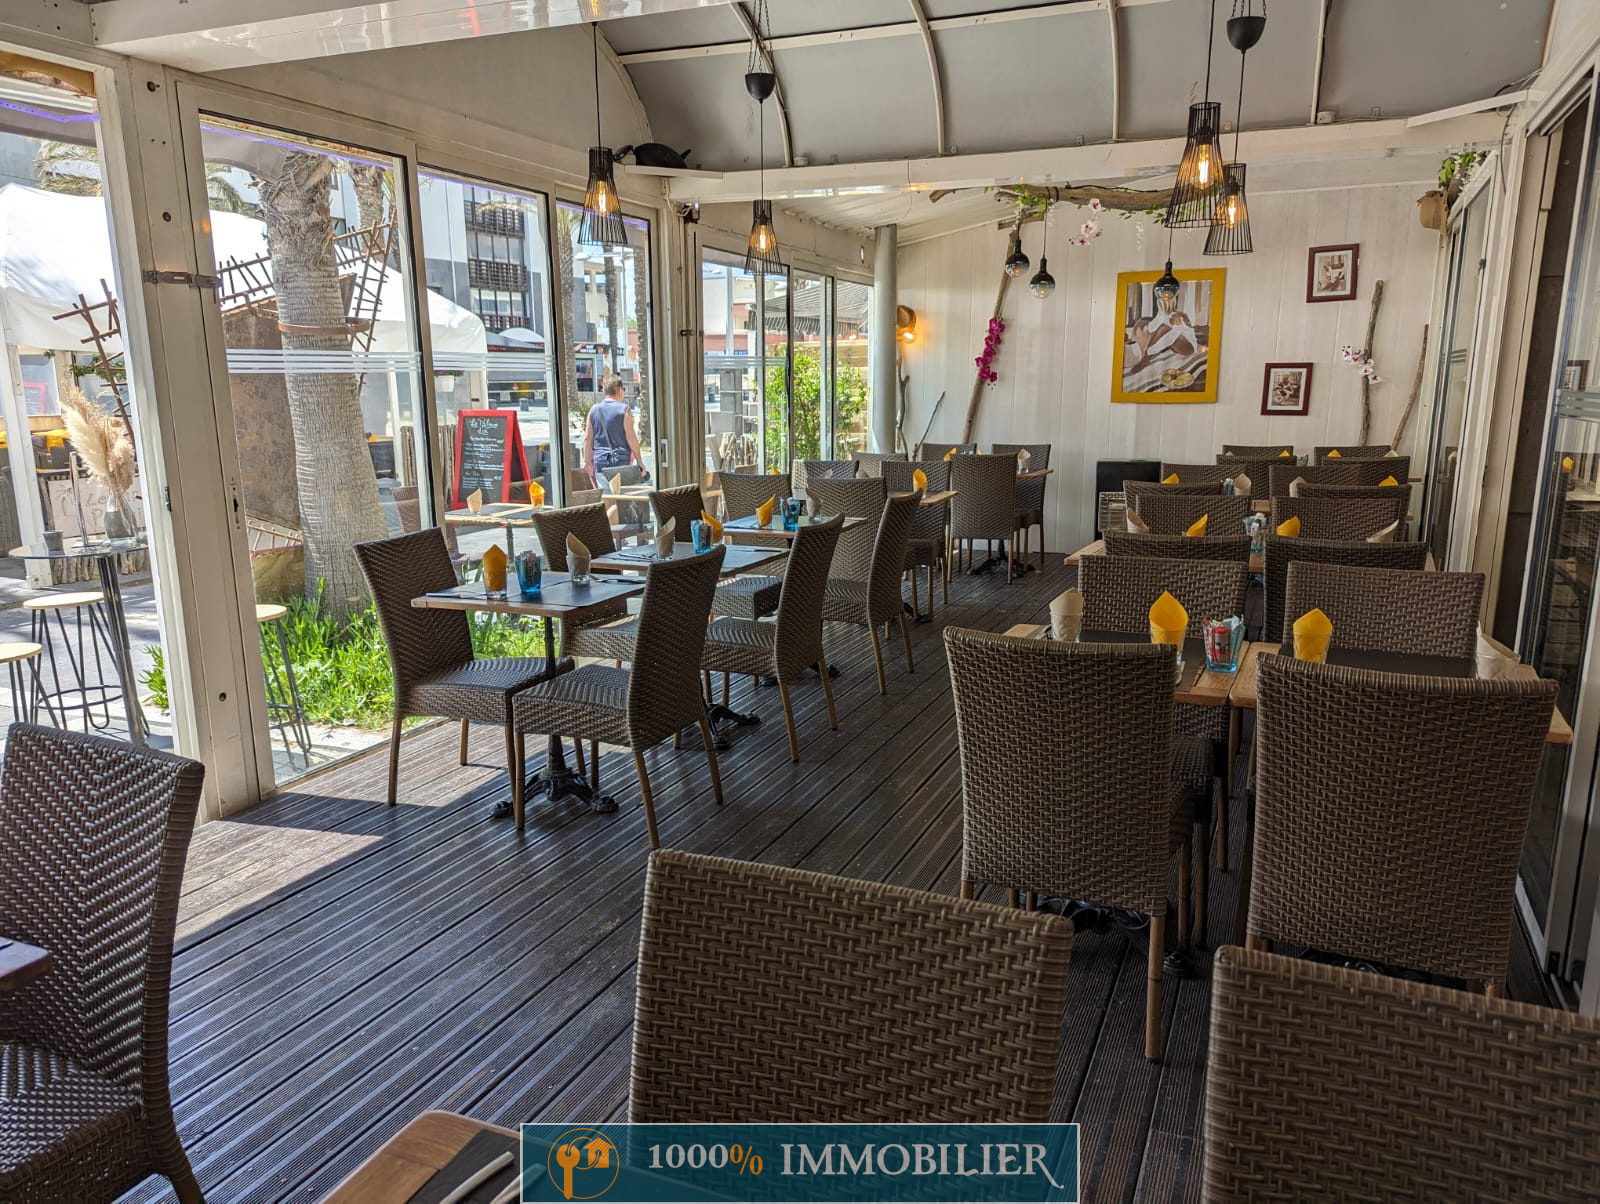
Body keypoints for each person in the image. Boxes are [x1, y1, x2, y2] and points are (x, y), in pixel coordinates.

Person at [583, 374, 648, 487]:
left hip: (600, 460)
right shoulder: (623, 410)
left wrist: (587, 462)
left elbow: (587, 439)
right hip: (620, 460)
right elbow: (631, 438)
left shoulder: (594, 410)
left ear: (604, 390)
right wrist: (639, 461)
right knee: (621, 494)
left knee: (606, 494)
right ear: (620, 390)